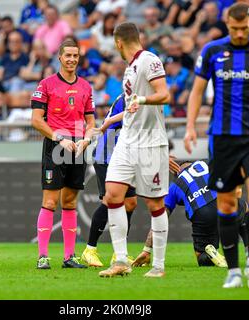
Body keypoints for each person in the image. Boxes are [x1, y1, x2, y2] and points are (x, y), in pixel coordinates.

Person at [183, 3, 249, 289]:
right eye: (234, 28)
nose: (240, 33)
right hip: (222, 139)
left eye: (244, 28)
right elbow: (197, 91)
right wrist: (191, 126)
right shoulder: (212, 51)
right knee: (227, 204)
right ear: (227, 24)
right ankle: (233, 271)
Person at [98, 22, 171, 278]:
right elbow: (131, 107)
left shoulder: (149, 60)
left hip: (150, 142)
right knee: (113, 194)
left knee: (154, 203)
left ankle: (159, 266)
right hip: (127, 140)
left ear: (119, 43)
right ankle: (119, 260)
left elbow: (164, 94)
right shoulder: (129, 68)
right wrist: (111, 120)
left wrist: (142, 99)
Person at [31, 38, 96, 269]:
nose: (71, 59)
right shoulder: (47, 84)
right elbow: (36, 121)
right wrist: (60, 138)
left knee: (70, 201)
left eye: (75, 56)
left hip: (78, 147)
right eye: (68, 55)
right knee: (50, 201)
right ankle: (43, 256)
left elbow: (90, 120)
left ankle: (69, 257)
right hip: (56, 146)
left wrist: (87, 139)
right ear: (59, 57)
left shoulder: (86, 87)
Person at [133, 160, 249, 268]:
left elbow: (161, 217)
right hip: (223, 202)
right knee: (246, 209)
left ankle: (210, 253)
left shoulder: (174, 186)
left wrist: (147, 250)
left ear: (176, 173)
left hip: (202, 215)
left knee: (201, 258)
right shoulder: (204, 164)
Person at [81, 93, 137, 267]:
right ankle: (90, 250)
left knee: (130, 203)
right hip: (106, 156)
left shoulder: (143, 95)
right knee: (110, 201)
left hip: (124, 157)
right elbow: (126, 115)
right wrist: (108, 123)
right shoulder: (131, 96)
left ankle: (119, 254)